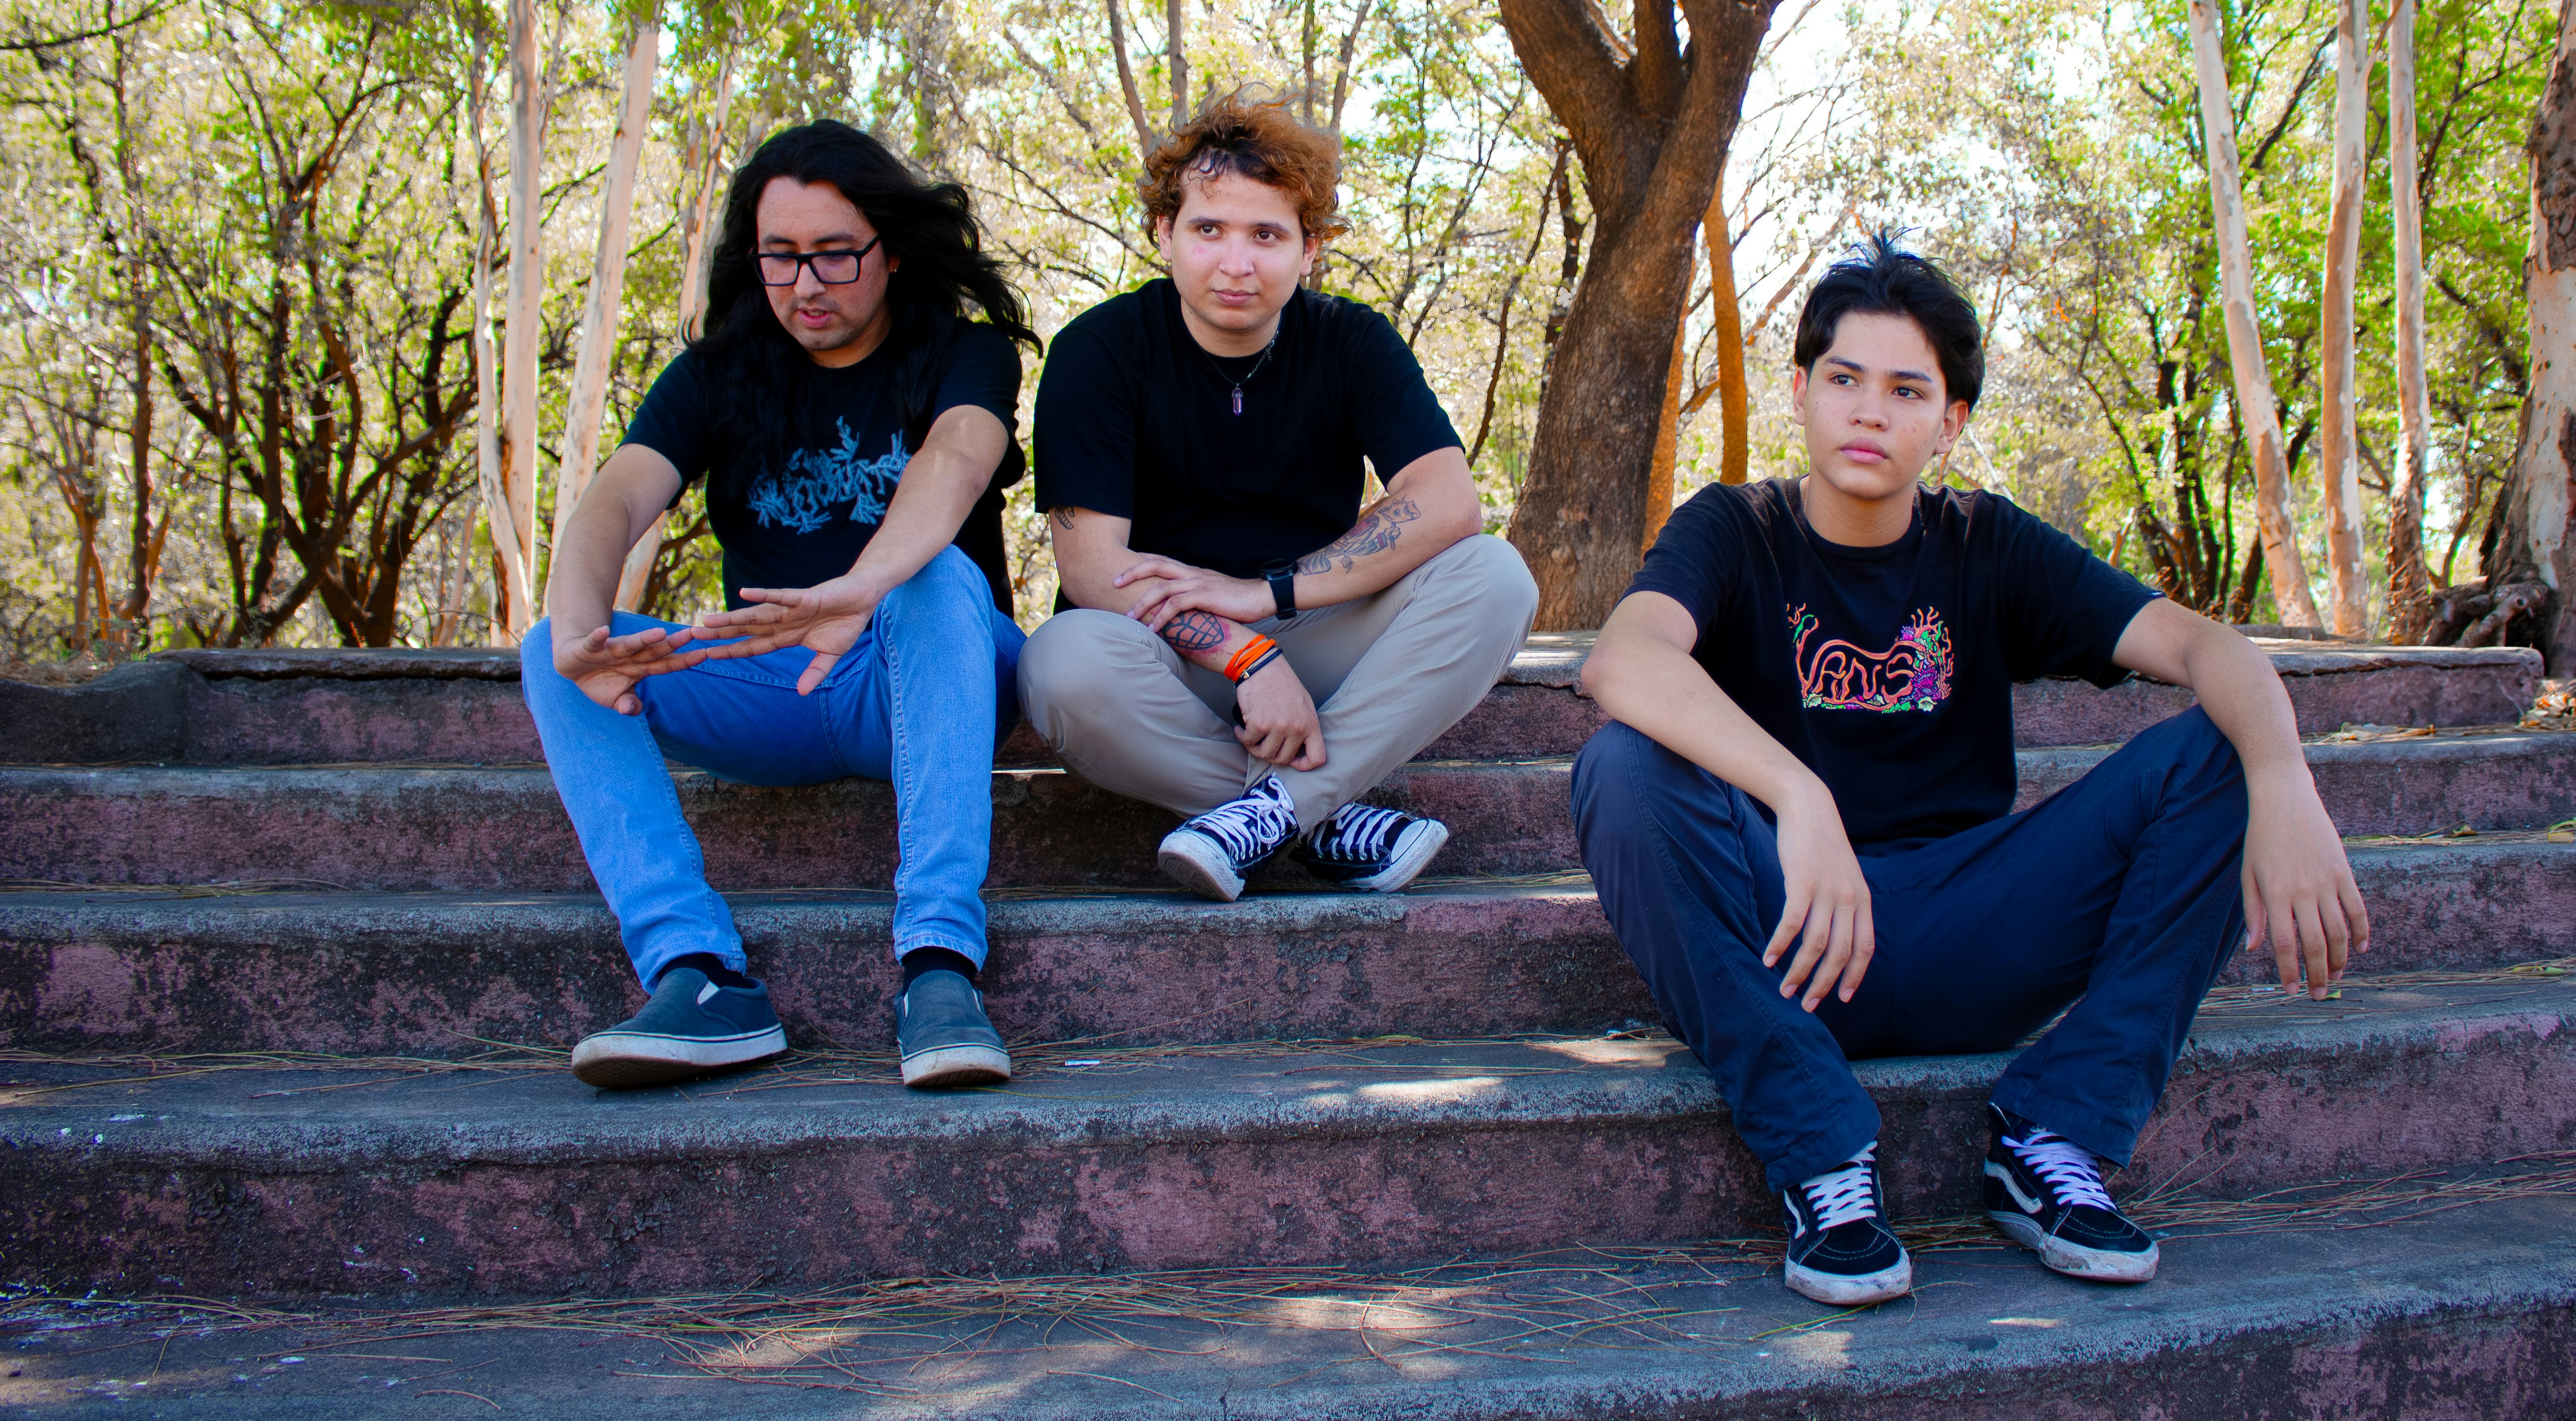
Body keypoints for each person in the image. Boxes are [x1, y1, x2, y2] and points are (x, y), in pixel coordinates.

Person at [1572, 234, 2370, 1306]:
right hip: (1787, 937)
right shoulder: (1735, 530)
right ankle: (1818, 1151)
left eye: (1906, 391)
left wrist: (2283, 781)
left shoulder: (1985, 545)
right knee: (1620, 768)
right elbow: (1623, 659)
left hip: (1974, 928)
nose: (1869, 412)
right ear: (1801, 392)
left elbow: (2206, 648)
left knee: (2221, 752)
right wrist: (1800, 798)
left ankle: (2051, 1136)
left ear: (1948, 422)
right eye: (1844, 380)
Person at [523, 120, 1040, 1092]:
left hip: (929, 680)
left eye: (836, 255)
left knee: (933, 580)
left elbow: (958, 456)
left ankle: (939, 968)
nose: (808, 285)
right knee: (557, 644)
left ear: (888, 249)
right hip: (781, 684)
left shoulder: (963, 356)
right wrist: (579, 626)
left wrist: (862, 586)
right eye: (782, 258)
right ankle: (700, 975)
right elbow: (615, 497)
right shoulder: (720, 374)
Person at [1018, 93, 1538, 902]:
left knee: (1496, 576)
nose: (1236, 263)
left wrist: (1265, 600)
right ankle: (1319, 820)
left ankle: (1268, 814)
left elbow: (1447, 504)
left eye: (1267, 235)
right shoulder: (1099, 351)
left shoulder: (1351, 341)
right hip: (1167, 656)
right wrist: (1245, 652)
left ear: (1309, 250)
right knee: (1060, 663)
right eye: (1208, 230)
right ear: (1164, 233)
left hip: (1316, 631)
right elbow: (1093, 572)